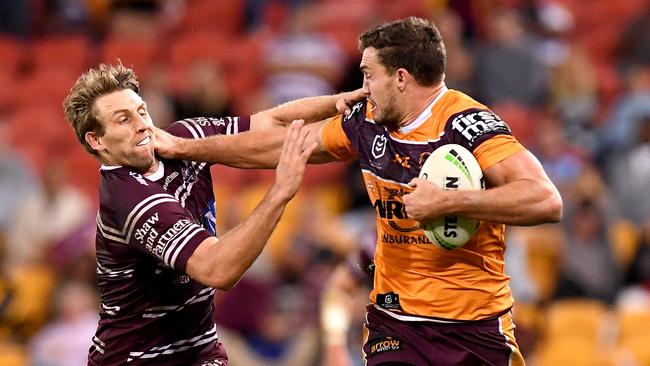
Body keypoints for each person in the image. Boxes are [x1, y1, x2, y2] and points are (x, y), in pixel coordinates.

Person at [156, 17, 563, 366]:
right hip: (395, 322)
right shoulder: (367, 123)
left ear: (400, 78)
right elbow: (280, 145)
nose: (361, 87)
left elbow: (546, 200)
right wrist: (185, 148)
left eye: (368, 75)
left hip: (474, 325)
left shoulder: (467, 123)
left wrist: (452, 200)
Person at [62, 63, 364, 365]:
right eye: (122, 120)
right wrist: (279, 194)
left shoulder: (181, 139)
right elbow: (218, 269)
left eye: (142, 111)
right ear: (96, 140)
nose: (141, 124)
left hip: (199, 350)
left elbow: (270, 122)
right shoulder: (128, 197)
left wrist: (339, 103)